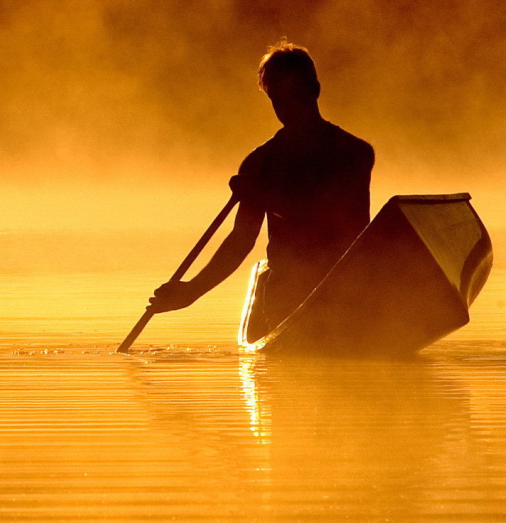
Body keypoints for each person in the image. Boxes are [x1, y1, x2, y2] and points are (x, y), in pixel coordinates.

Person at [148, 42, 374, 340]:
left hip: (348, 290)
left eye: (294, 96)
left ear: (315, 90)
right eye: (277, 100)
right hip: (288, 293)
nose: (287, 109)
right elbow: (241, 240)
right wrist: (192, 291)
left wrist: (260, 196)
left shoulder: (354, 153)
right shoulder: (260, 163)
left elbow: (331, 217)